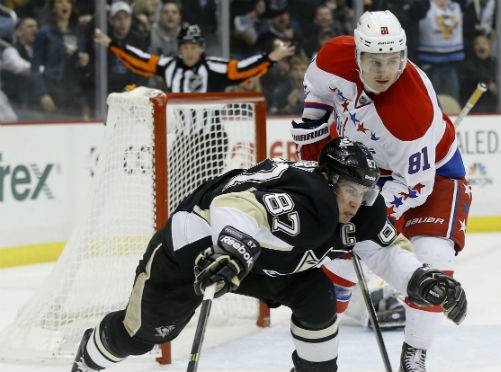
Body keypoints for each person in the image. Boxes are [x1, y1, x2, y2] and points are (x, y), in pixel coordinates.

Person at [70, 138, 467, 372]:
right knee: (139, 337)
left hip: (263, 259)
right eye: (351, 190)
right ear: (329, 182)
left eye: (364, 191)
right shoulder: (307, 200)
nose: (358, 202)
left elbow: (383, 249)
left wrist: (420, 278)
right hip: (199, 247)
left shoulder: (356, 207)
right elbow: (238, 206)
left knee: (317, 298)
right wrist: (231, 250)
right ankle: (87, 359)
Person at [290, 10, 472, 372]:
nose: (384, 71)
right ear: (357, 54)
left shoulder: (412, 112)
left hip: (432, 176)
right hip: (359, 171)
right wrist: (313, 126)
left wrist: (367, 216)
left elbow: (414, 188)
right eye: (374, 60)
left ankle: (415, 353)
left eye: (392, 61)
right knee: (335, 271)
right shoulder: (332, 58)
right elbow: (318, 92)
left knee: (434, 261)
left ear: (403, 56)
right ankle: (313, 358)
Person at [94, 23, 294, 93]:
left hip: (211, 137)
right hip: (179, 136)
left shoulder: (215, 67)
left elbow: (242, 69)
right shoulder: (169, 65)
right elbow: (141, 60)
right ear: (180, 48)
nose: (189, 52)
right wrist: (113, 44)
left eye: (194, 47)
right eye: (185, 47)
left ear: (202, 48)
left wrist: (270, 58)